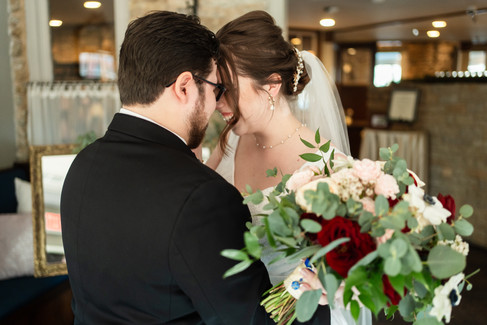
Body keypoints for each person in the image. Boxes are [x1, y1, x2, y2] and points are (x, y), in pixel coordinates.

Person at [60, 11, 275, 324]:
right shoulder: (204, 198)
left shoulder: (82, 164)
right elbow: (252, 319)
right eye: (215, 88)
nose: (217, 105)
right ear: (185, 86)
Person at [207, 11, 372, 325]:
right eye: (217, 89)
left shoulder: (328, 165)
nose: (218, 103)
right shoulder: (229, 140)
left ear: (271, 84)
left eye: (227, 89)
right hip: (233, 307)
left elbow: (351, 266)